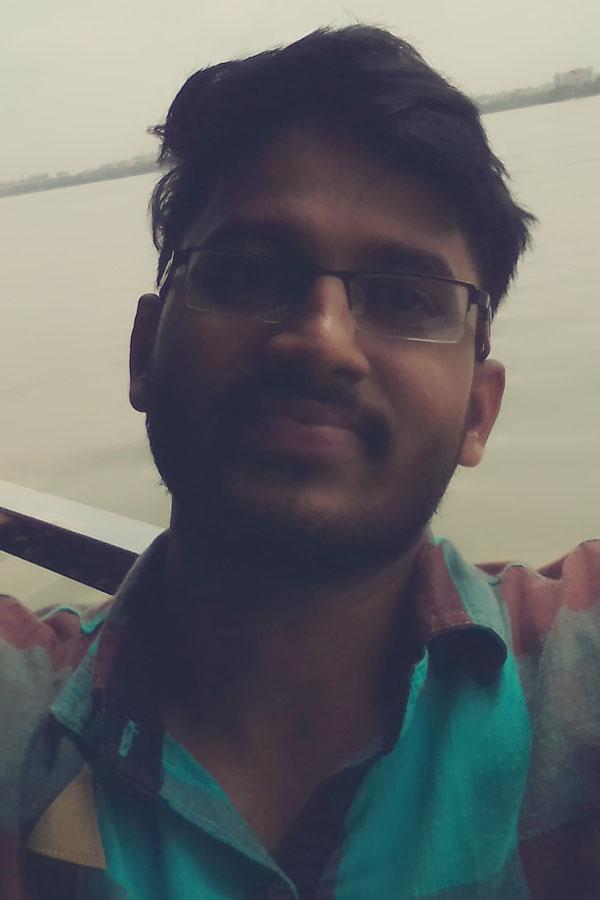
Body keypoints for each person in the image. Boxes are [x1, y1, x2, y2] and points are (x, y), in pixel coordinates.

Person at [1, 24, 599, 900]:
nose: (321, 340)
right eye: (248, 273)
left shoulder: (573, 684)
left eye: (405, 297)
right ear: (144, 351)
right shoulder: (20, 726)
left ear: (479, 409)